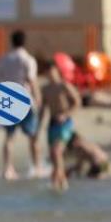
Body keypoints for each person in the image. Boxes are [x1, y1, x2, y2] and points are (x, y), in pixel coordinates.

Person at [0, 30, 43, 179]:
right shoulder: (28, 59)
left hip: (8, 100)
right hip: (25, 100)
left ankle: (8, 169)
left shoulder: (3, 59)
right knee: (33, 137)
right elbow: (31, 80)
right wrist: (38, 98)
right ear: (24, 41)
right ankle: (36, 167)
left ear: (12, 41)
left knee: (9, 137)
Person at [39, 64, 82, 192]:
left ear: (57, 72)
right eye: (48, 73)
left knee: (57, 151)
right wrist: (40, 125)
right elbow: (43, 108)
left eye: (52, 72)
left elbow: (77, 101)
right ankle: (62, 182)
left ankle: (55, 183)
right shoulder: (45, 89)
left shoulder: (64, 85)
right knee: (54, 156)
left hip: (65, 122)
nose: (50, 75)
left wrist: (66, 114)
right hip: (52, 123)